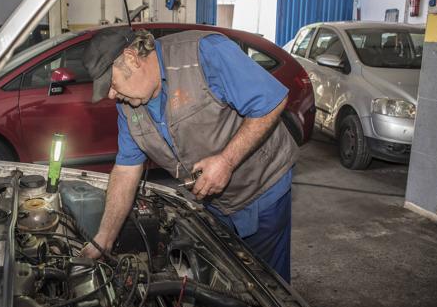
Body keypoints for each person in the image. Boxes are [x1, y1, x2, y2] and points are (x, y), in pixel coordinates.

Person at [80, 27, 298, 282]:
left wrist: (226, 161)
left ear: (131, 58)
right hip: (213, 201)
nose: (111, 95)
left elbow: (271, 101)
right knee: (225, 278)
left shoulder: (203, 52)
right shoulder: (128, 107)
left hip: (262, 186)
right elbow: (127, 169)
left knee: (266, 284)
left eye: (112, 84)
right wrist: (103, 240)